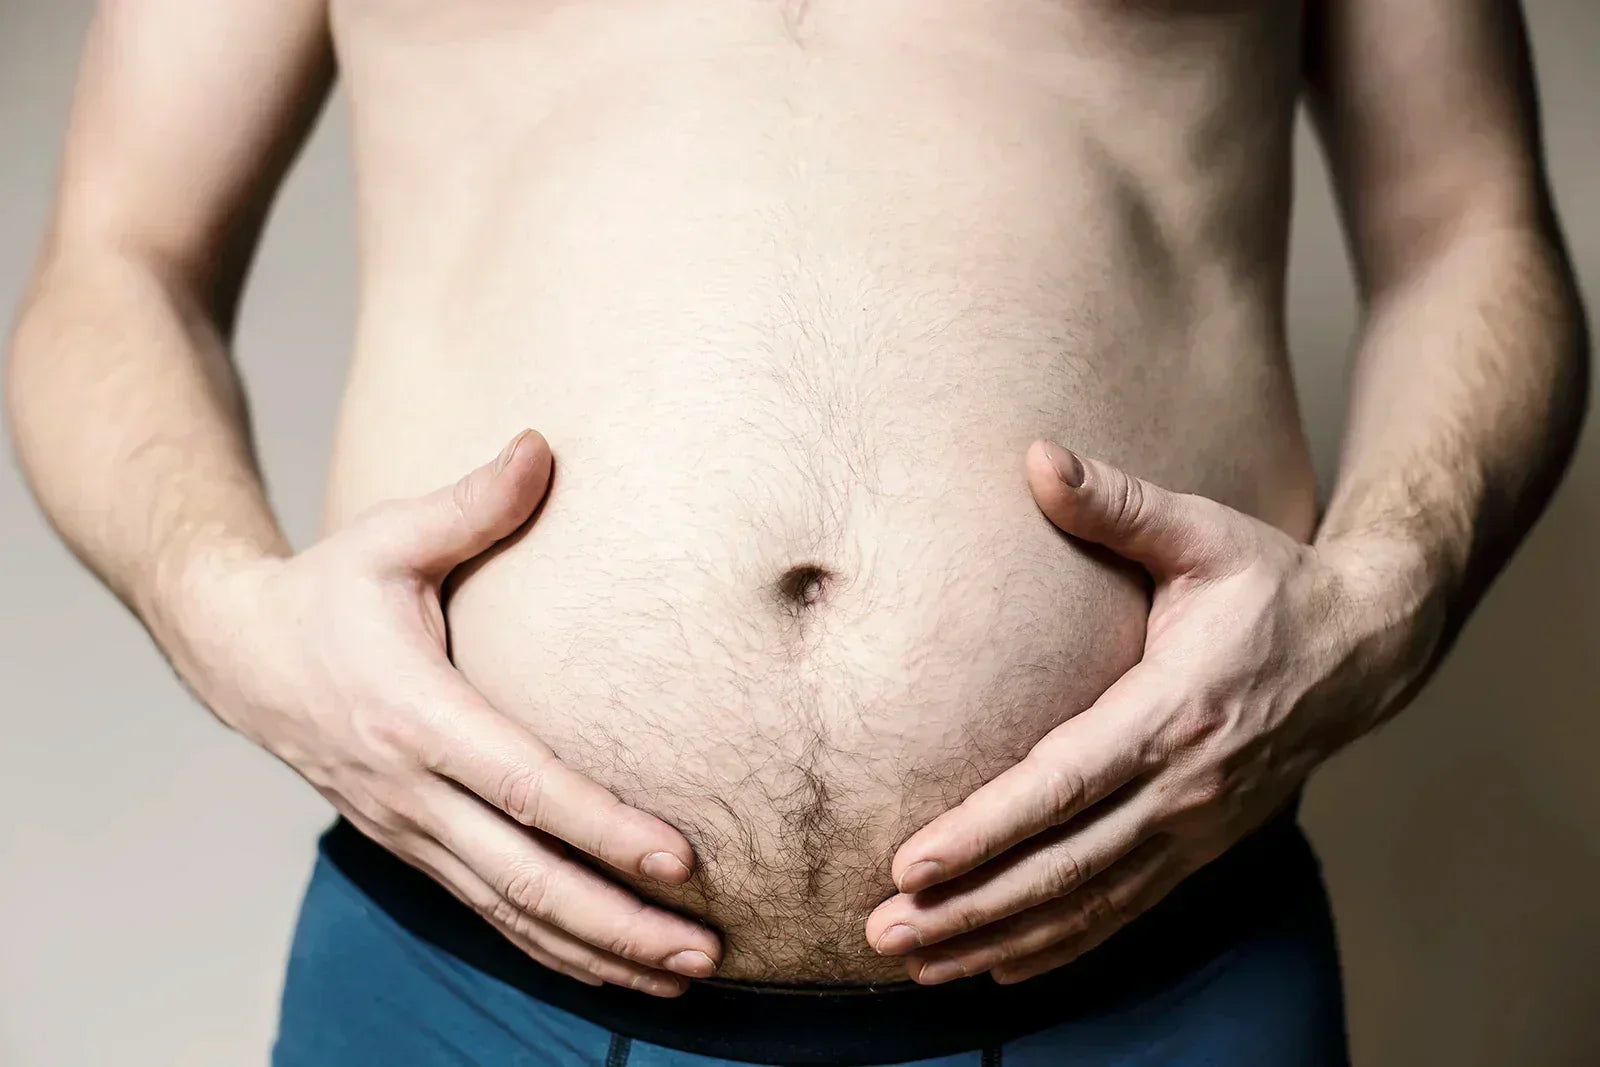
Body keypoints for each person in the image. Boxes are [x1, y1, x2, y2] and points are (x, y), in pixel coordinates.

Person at [5, 1, 1588, 1064]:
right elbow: (120, 259)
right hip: (466, 996)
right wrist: (228, 614)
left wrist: (1388, 590)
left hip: (1157, 982)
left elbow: (1469, 228)